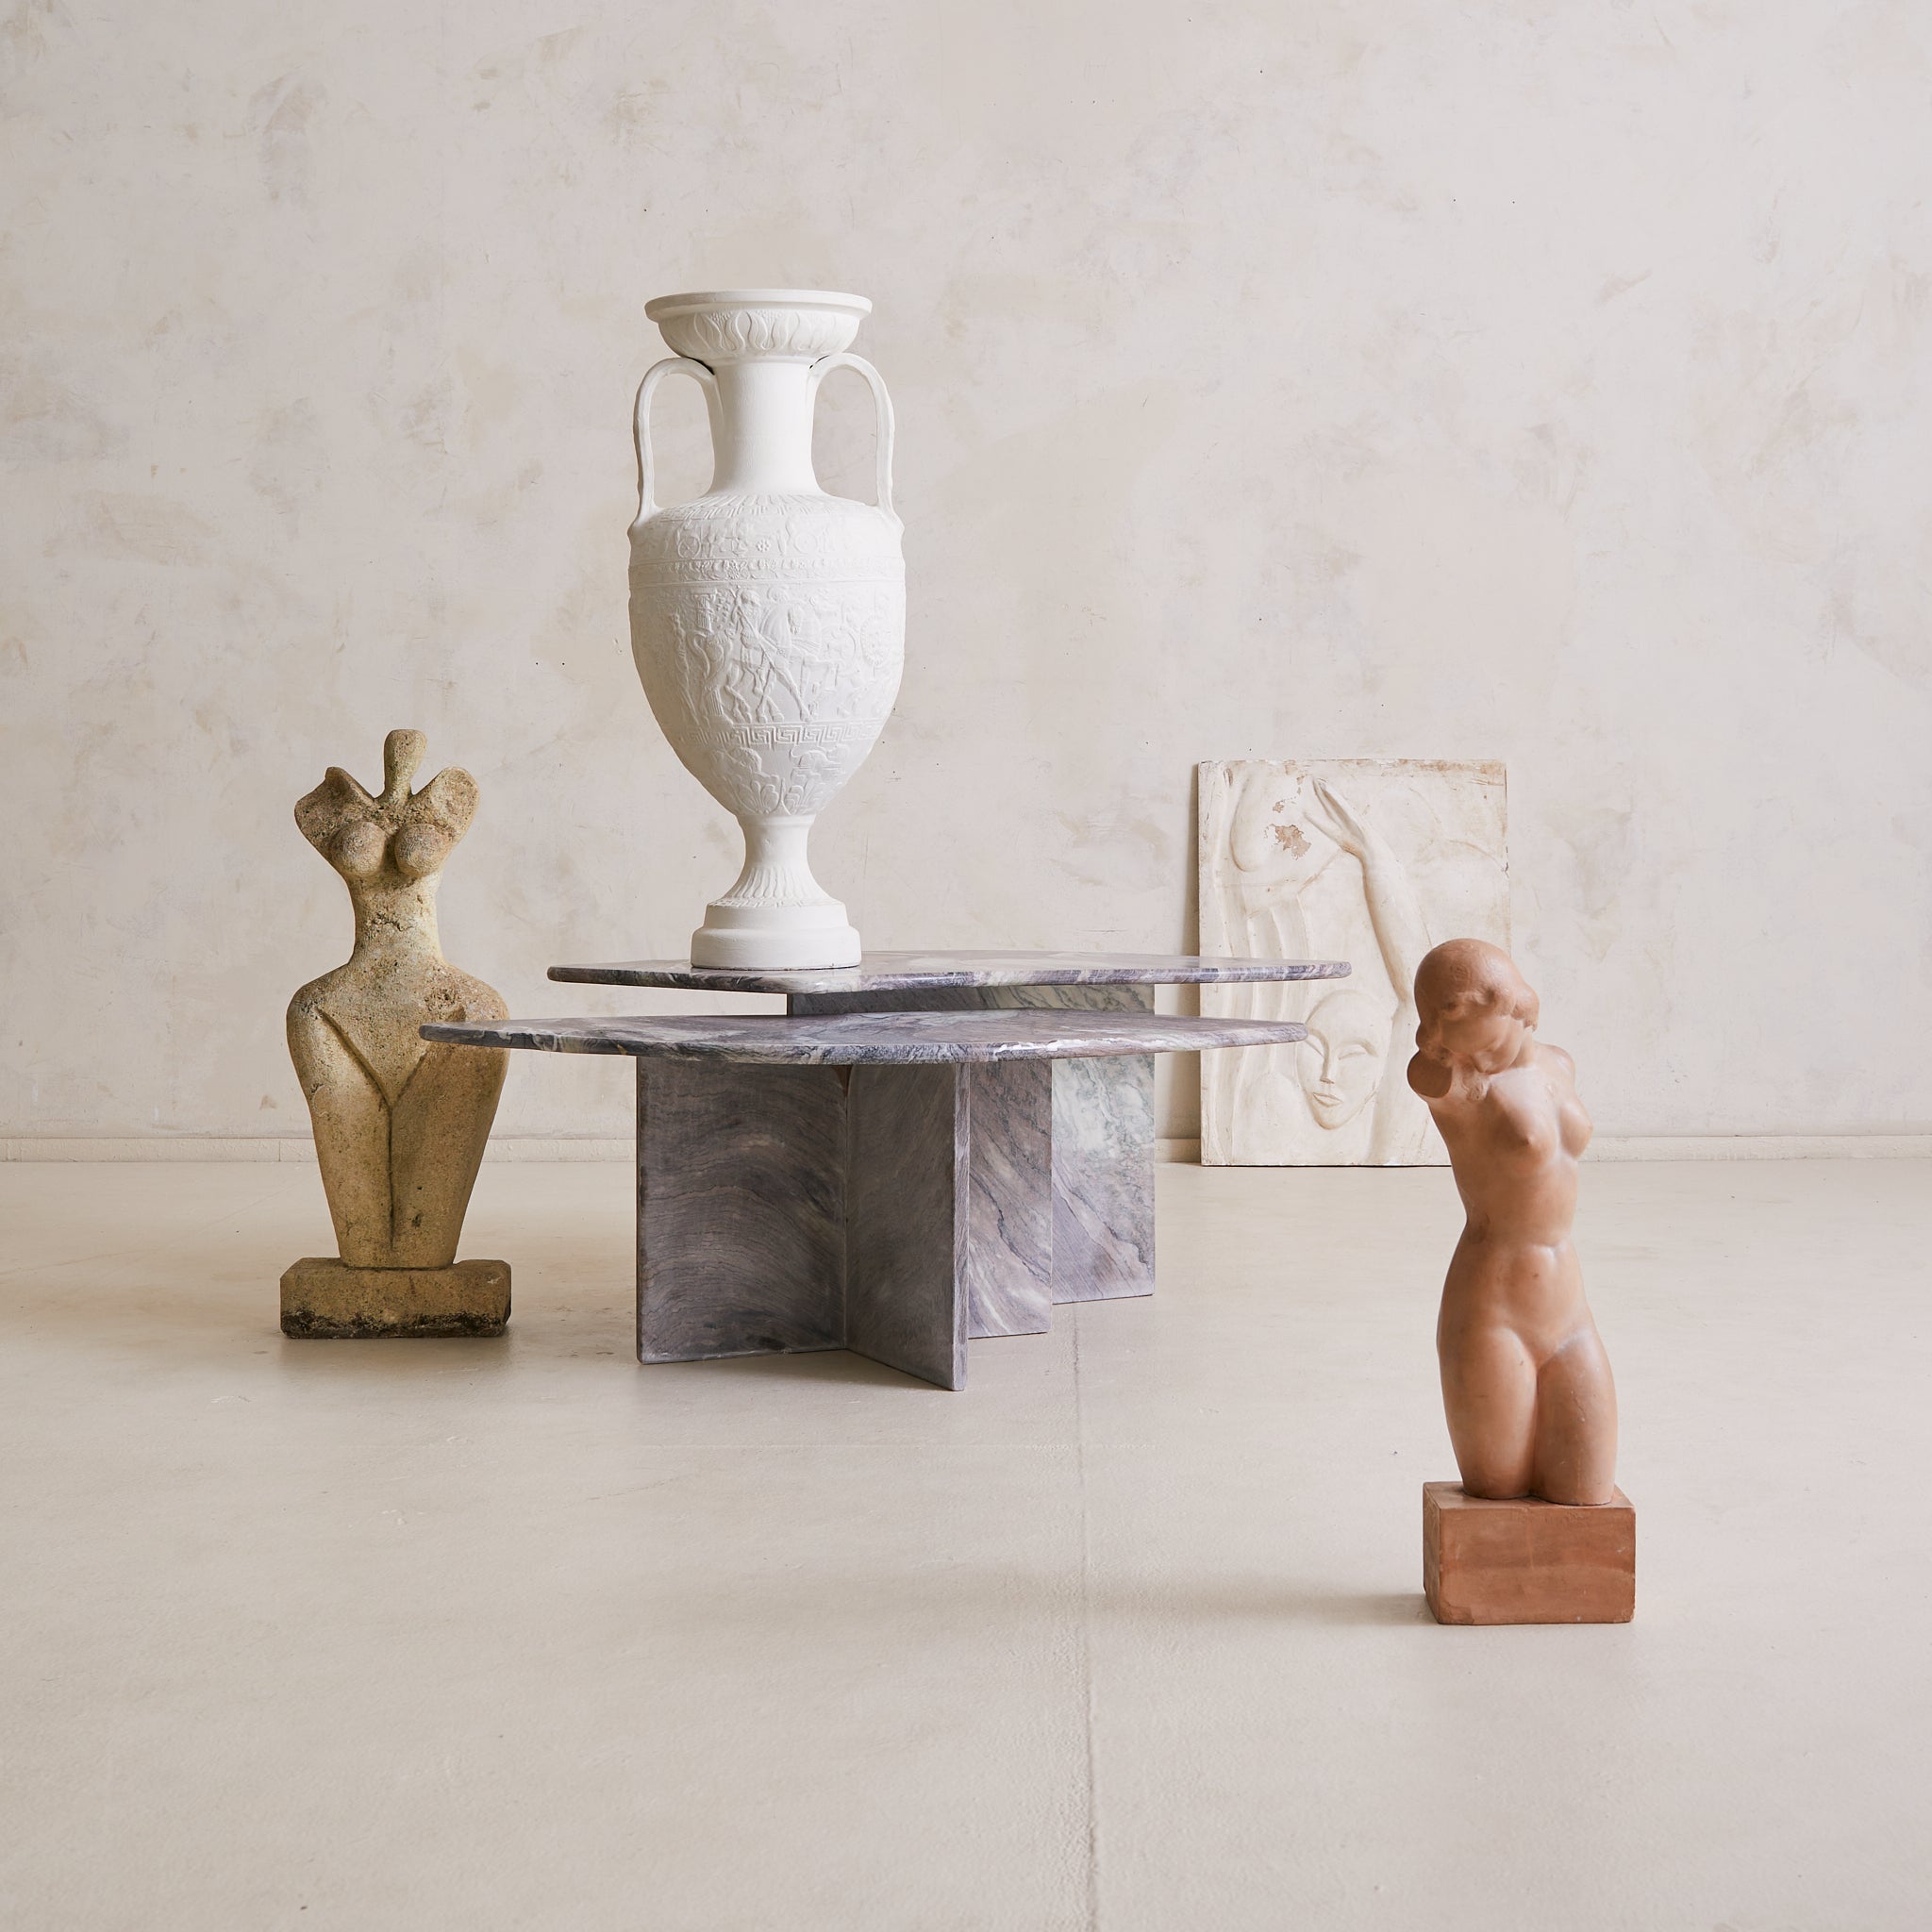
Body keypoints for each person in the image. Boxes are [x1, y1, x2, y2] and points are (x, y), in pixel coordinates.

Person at [1407, 939, 1617, 1506]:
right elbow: (1425, 1070)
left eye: (1452, 1021)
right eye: (1436, 1028)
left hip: (1567, 1304)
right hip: (1491, 1306)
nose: (1440, 1039)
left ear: (1503, 1002)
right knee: (1496, 1491)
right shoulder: (1455, 1084)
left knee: (1588, 1490)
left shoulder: (1559, 1065)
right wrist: (1440, 1048)